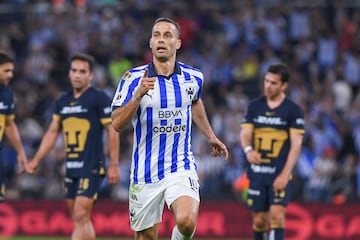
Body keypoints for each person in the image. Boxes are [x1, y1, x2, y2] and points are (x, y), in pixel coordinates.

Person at [111, 17, 228, 240]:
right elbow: (116, 123)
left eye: (167, 35)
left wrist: (210, 135)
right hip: (145, 170)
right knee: (146, 237)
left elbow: (194, 101)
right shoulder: (132, 78)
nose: (161, 40)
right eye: (157, 35)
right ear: (150, 43)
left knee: (186, 221)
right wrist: (137, 96)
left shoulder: (193, 78)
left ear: (178, 43)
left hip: (180, 164)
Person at [26, 52, 120, 240]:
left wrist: (114, 164)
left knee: (80, 213)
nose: (77, 75)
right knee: (80, 219)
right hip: (71, 168)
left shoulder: (98, 98)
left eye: (82, 71)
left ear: (91, 75)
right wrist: (36, 159)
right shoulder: (62, 102)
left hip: (92, 165)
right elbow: (53, 132)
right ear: (69, 73)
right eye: (74, 70)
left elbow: (112, 130)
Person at [240, 63, 305, 240]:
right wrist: (248, 150)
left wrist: (285, 175)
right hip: (257, 173)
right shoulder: (254, 106)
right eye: (266, 81)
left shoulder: (293, 110)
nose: (268, 86)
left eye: (273, 83)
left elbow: (296, 145)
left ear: (284, 85)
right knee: (260, 220)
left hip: (278, 172)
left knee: (277, 217)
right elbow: (245, 133)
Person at [0, 51, 28, 202]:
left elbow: (9, 124)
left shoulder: (7, 93)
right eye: (6, 71)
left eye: (11, 71)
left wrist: (20, 152)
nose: (10, 75)